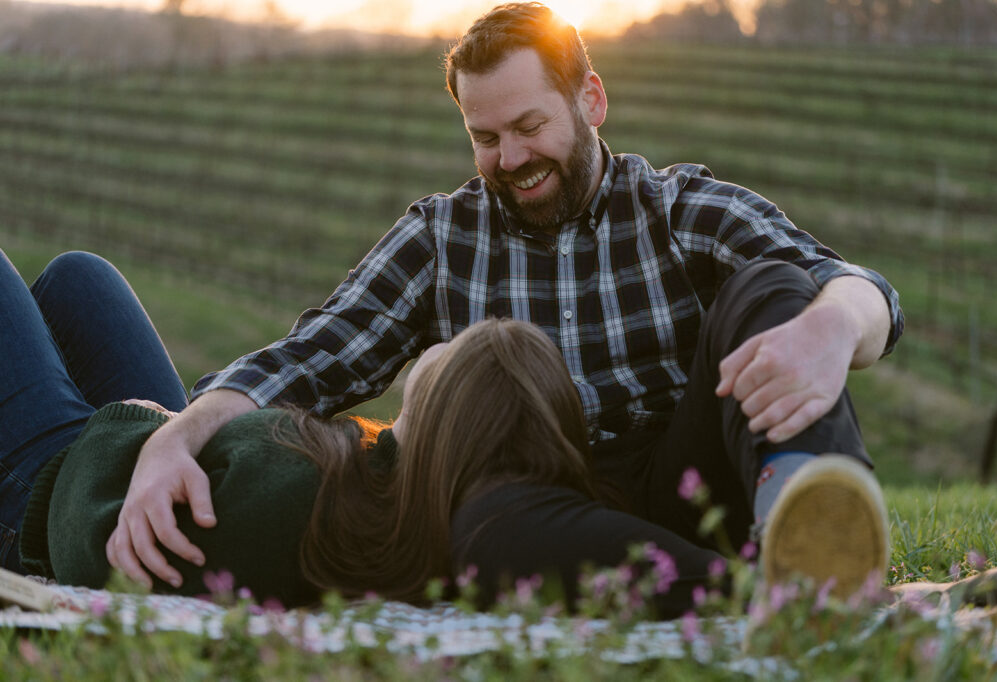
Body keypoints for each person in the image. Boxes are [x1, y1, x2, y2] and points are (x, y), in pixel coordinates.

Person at [108, 2, 906, 599]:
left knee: (776, 287)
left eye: (529, 126)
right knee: (479, 531)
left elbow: (857, 288)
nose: (512, 157)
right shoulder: (443, 236)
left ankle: (816, 525)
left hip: (693, 479)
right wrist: (176, 437)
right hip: (544, 512)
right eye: (485, 138)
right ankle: (762, 596)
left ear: (590, 100)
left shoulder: (673, 206)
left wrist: (833, 326)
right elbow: (315, 356)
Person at [2, 249, 720, 616]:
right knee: (79, 278)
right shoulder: (377, 478)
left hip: (58, 485)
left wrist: (140, 427)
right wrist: (173, 435)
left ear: (455, 416)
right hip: (143, 451)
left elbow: (98, 554)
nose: (459, 334)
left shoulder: (299, 506)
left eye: (470, 349)